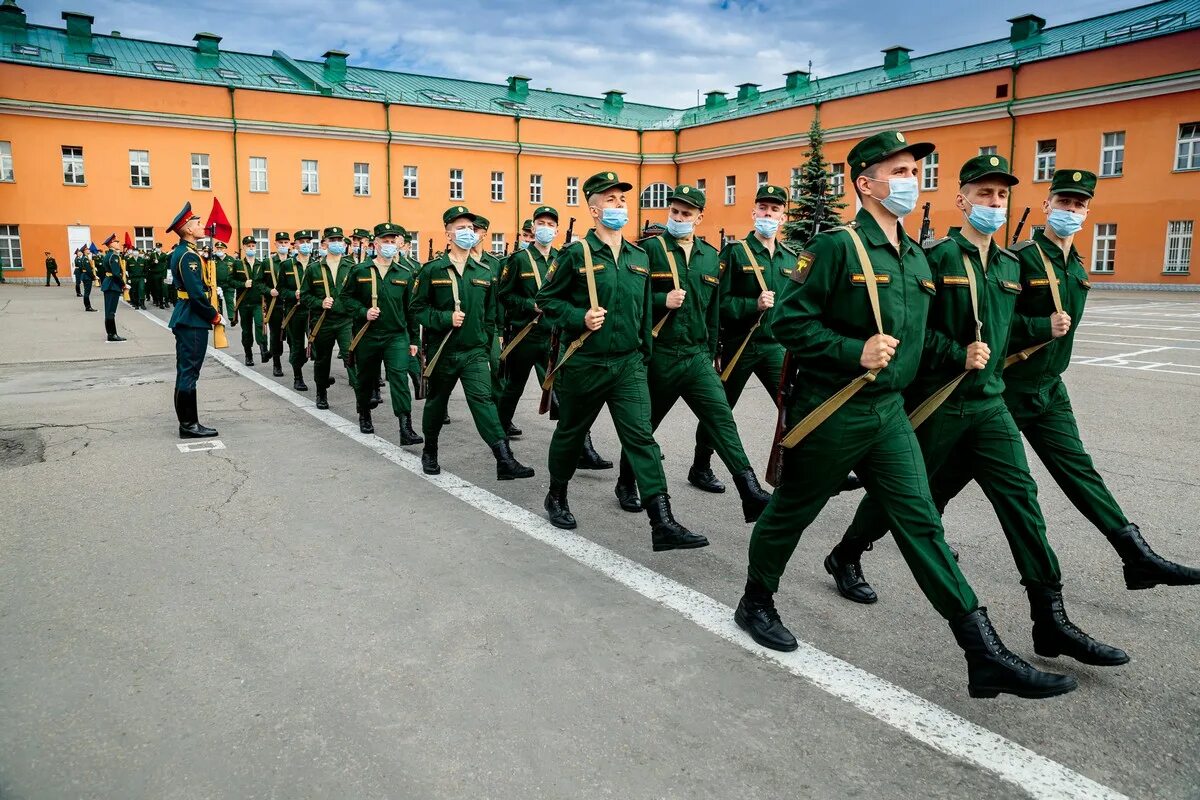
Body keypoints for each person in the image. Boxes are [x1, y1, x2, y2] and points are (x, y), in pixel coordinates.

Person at [736, 131, 1075, 699]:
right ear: (865, 183)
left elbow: (917, 342)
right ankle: (756, 601)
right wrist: (854, 351)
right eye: (897, 171)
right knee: (793, 510)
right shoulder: (836, 247)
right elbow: (788, 323)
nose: (910, 181)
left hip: (890, 414)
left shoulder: (916, 255)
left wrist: (956, 362)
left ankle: (982, 652)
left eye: (915, 172)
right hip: (834, 411)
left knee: (921, 523)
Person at [825, 155, 1127, 668]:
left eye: (1001, 196)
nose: (993, 203)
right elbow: (915, 332)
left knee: (1023, 503)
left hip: (990, 404)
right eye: (983, 194)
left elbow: (1006, 336)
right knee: (905, 495)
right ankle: (847, 553)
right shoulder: (935, 258)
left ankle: (1049, 618)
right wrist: (954, 353)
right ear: (961, 199)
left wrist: (1035, 334)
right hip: (940, 403)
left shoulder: (1009, 266)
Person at [999, 170, 1199, 589]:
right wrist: (1039, 327)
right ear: (1046, 206)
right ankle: (852, 550)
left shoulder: (1076, 265)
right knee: (944, 475)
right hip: (1007, 390)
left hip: (1050, 388)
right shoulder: (1021, 258)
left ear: (1088, 212)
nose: (1071, 210)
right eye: (1064, 202)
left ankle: (1136, 555)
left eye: (1079, 205)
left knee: (1080, 472)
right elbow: (994, 323)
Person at [536, 172, 707, 552]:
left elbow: (646, 311)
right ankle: (557, 495)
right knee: (571, 432)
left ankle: (662, 521)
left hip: (629, 364)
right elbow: (546, 301)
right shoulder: (575, 254)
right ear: (594, 208)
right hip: (586, 362)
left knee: (642, 439)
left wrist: (644, 355)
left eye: (622, 200)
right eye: (610, 199)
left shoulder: (639, 255)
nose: (619, 206)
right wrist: (578, 317)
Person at [613, 184, 771, 523]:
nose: (679, 218)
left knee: (721, 418)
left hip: (698, 355)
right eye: (675, 212)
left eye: (686, 214)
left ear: (699, 218)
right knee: (645, 427)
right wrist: (660, 301)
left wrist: (714, 351)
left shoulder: (710, 256)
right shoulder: (649, 251)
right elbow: (629, 300)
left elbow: (712, 310)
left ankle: (750, 488)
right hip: (661, 354)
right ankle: (627, 482)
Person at [410, 206, 535, 480]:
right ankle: (430, 449)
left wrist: (487, 338)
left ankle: (504, 459)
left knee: (484, 402)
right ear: (448, 234)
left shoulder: (486, 271)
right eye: (460, 228)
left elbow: (490, 312)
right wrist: (444, 317)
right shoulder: (433, 270)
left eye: (470, 228)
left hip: (475, 352)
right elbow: (417, 308)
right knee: (436, 403)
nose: (467, 232)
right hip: (444, 351)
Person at [496, 205, 610, 467]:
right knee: (513, 388)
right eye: (541, 223)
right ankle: (499, 440)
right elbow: (504, 295)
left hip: (555, 337)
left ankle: (583, 448)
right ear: (532, 228)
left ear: (557, 230)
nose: (545, 228)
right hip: (525, 336)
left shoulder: (563, 257)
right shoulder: (518, 260)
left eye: (550, 224)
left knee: (566, 393)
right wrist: (530, 305)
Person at [341, 222, 421, 441]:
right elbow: (345, 298)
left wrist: (415, 339)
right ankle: (364, 415)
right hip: (368, 335)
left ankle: (406, 426)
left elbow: (411, 310)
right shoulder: (359, 271)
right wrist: (362, 311)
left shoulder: (405, 273)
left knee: (399, 378)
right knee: (366, 378)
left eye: (392, 241)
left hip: (396, 335)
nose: (389, 245)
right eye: (385, 241)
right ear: (375, 244)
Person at [166, 202, 221, 438]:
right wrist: (214, 315)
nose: (202, 226)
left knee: (185, 371)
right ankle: (189, 425)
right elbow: (197, 294)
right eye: (197, 224)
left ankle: (187, 422)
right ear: (188, 229)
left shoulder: (185, 252)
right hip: (192, 319)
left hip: (187, 316)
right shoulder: (188, 256)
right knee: (189, 372)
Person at [302, 226, 361, 412]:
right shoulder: (314, 269)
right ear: (324, 243)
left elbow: (359, 294)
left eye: (339, 240)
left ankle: (362, 399)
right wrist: (320, 302)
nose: (336, 244)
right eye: (332, 240)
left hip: (346, 321)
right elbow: (304, 296)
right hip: (323, 321)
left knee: (351, 357)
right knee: (322, 360)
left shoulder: (352, 267)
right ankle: (321, 393)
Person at [280, 230, 312, 390]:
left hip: (313, 311)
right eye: (302, 242)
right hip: (295, 311)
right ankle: (297, 377)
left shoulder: (317, 264)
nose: (306, 245)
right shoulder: (286, 265)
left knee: (319, 345)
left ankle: (322, 373)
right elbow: (281, 290)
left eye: (308, 241)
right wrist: (294, 294)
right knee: (297, 346)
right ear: (296, 245)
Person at [233, 235, 269, 366]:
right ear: (244, 247)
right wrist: (243, 284)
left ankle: (263, 349)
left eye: (253, 246)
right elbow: (230, 281)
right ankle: (248, 354)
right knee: (246, 330)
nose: (251, 248)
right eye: (249, 246)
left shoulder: (261, 264)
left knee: (261, 325)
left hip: (258, 302)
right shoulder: (237, 264)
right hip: (244, 303)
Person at [99, 234, 126, 342]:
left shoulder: (108, 255)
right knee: (111, 311)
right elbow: (115, 273)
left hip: (109, 283)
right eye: (116, 242)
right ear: (111, 244)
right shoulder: (113, 256)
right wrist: (123, 284)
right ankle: (112, 334)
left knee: (109, 310)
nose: (118, 243)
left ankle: (111, 333)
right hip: (112, 284)